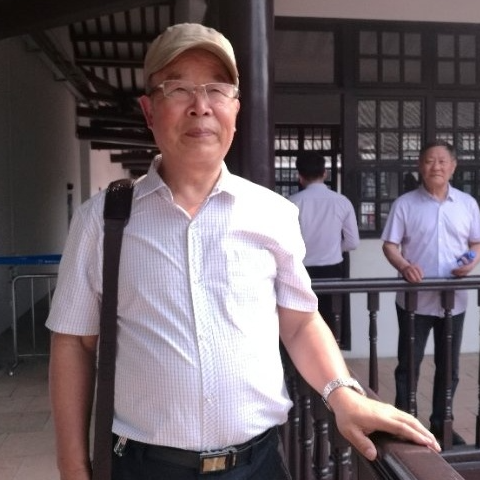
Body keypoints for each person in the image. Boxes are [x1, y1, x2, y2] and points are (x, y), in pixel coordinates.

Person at [47, 22, 440, 480]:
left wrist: (343, 393)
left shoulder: (272, 213)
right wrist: (73, 466)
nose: (200, 106)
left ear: (235, 109)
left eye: (217, 90)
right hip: (145, 466)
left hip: (258, 465)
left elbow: (300, 322)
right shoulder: (102, 219)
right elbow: (74, 342)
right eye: (178, 88)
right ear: (149, 110)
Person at [381, 139, 480, 447]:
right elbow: (390, 245)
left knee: (449, 367)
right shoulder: (405, 204)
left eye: (442, 161)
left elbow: (476, 243)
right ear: (420, 167)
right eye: (429, 161)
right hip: (414, 300)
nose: (436, 166)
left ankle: (441, 424)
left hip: (453, 300)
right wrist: (404, 265)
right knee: (408, 365)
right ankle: (404, 424)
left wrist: (472, 262)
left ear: (453, 166)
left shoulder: (467, 204)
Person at [289, 152, 359, 345]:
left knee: (302, 324)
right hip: (332, 269)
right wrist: (335, 249)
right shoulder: (342, 202)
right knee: (331, 322)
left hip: (300, 271)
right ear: (325, 173)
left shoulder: (292, 202)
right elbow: (352, 242)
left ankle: (300, 363)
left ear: (299, 176)